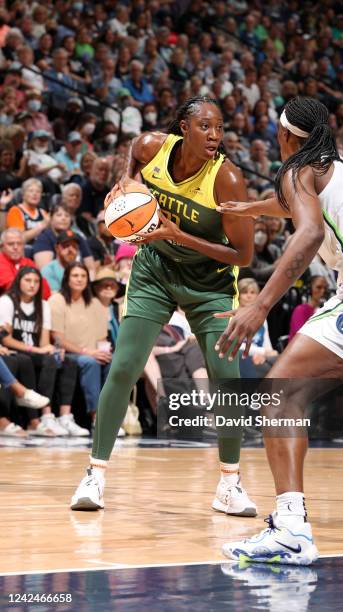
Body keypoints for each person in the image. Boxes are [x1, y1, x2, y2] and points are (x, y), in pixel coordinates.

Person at [215, 96, 343, 565]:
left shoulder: (296, 167)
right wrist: (250, 208)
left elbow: (309, 231)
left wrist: (260, 305)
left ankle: (291, 529)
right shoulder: (339, 166)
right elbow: (300, 206)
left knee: (280, 395)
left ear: (285, 137)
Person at [70, 96, 256, 516]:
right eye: (205, 127)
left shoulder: (226, 179)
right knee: (124, 365)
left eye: (220, 128)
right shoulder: (155, 147)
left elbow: (243, 256)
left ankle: (229, 483)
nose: (214, 135)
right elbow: (134, 147)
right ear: (183, 128)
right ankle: (94, 475)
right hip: (154, 269)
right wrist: (125, 181)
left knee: (226, 379)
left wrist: (177, 234)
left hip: (209, 284)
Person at [0, 266, 83, 436]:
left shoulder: (43, 305)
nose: (32, 285)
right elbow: (5, 338)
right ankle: (38, 417)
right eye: (28, 280)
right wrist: (37, 349)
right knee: (28, 360)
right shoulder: (7, 301)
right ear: (19, 282)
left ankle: (59, 417)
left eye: (36, 281)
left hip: (34, 350)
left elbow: (45, 341)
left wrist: (51, 349)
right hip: (14, 350)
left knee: (67, 360)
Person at [48, 263, 114, 430]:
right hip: (69, 353)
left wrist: (104, 352)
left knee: (112, 362)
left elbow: (102, 337)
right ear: (67, 279)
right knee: (90, 362)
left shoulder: (95, 303)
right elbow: (57, 338)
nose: (79, 279)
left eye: (83, 276)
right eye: (75, 275)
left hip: (92, 352)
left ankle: (110, 415)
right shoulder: (57, 300)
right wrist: (88, 352)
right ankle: (96, 418)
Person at [0, 228, 50, 298]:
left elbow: (45, 290)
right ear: (2, 247)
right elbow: (12, 287)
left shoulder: (28, 262)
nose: (15, 247)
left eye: (19, 244)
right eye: (10, 244)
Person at [288, 276, 329, 341]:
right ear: (309, 289)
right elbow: (302, 338)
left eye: (325, 288)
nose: (323, 291)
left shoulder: (327, 310)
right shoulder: (300, 310)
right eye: (319, 287)